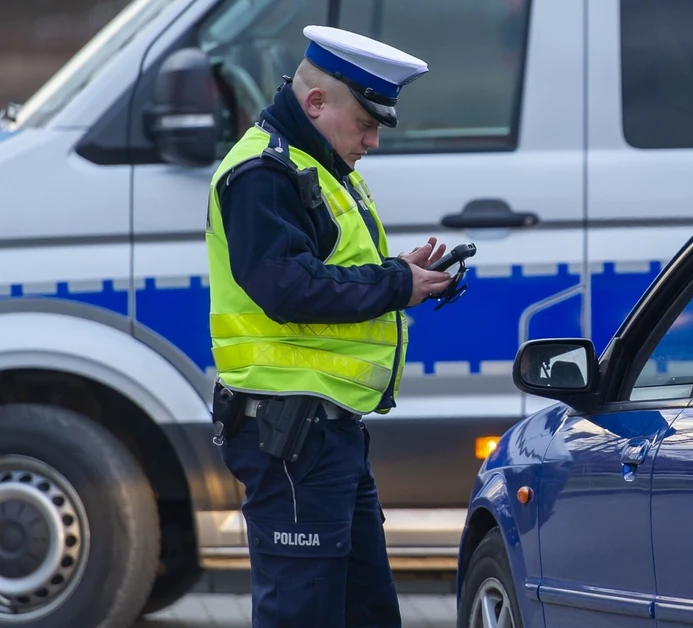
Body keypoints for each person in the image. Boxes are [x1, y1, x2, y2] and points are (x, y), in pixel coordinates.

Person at [204, 24, 453, 627]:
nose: (372, 140)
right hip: (292, 435)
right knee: (304, 612)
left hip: (323, 433)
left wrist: (398, 272)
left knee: (365, 610)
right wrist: (396, 285)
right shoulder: (264, 173)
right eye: (364, 123)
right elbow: (284, 286)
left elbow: (324, 269)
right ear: (315, 103)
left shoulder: (316, 165)